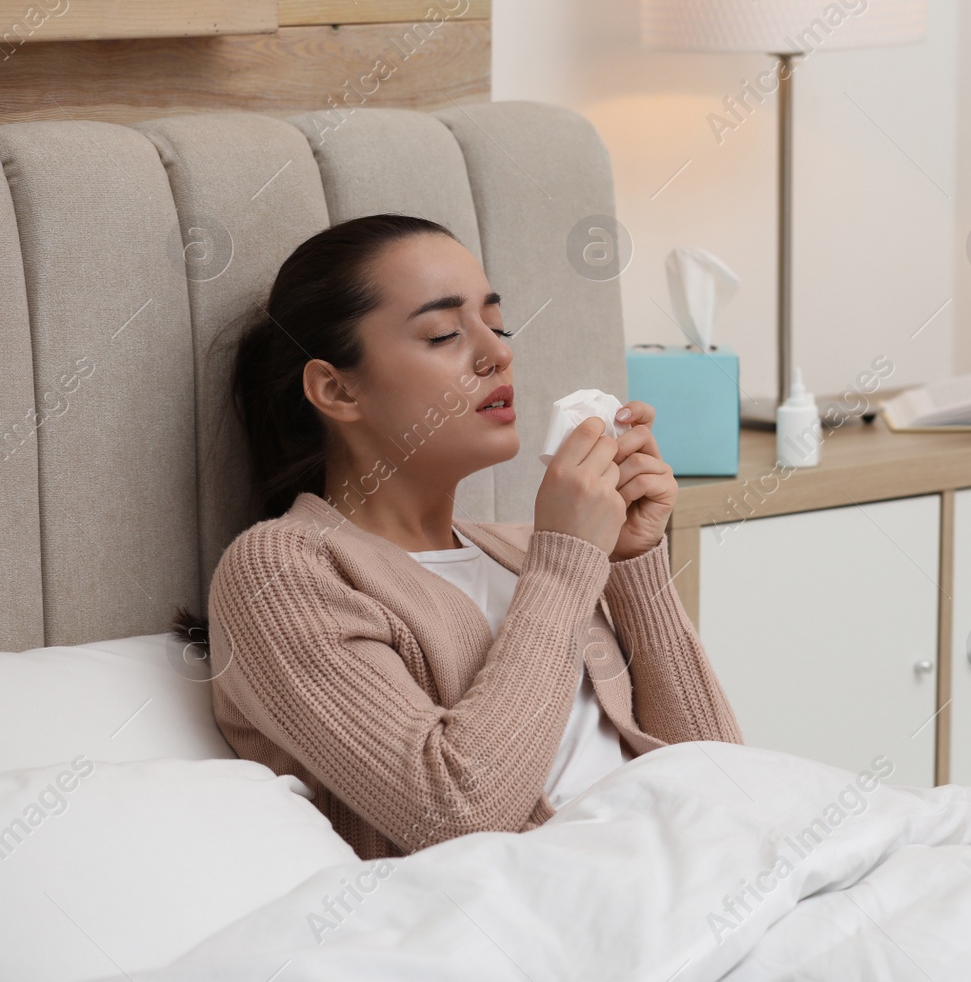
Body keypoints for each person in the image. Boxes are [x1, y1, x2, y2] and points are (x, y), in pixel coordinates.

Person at [171, 213, 742, 861]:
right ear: (335, 387)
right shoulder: (280, 570)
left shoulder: (533, 547)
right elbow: (454, 813)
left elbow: (729, 786)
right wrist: (568, 562)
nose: (498, 352)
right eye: (444, 333)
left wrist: (633, 561)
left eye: (496, 325)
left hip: (696, 883)